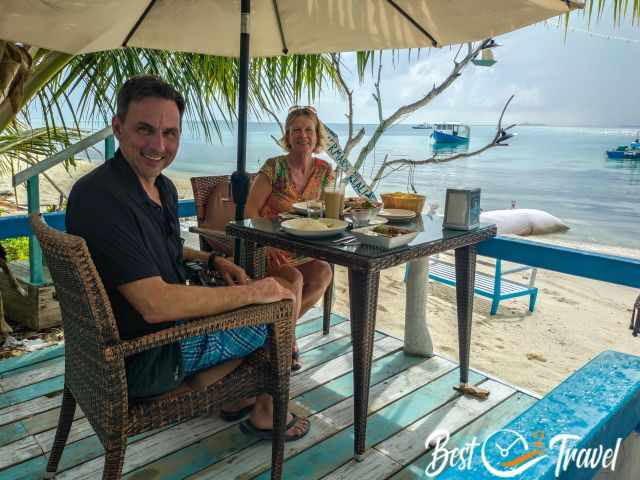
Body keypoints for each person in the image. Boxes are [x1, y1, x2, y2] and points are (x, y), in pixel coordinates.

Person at [65, 75, 309, 440]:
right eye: (144, 130)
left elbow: (165, 246)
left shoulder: (156, 185)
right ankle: (263, 409)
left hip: (150, 338)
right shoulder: (103, 199)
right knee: (280, 310)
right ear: (118, 127)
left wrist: (213, 261)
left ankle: (232, 395)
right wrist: (256, 293)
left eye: (170, 134)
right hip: (146, 358)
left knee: (276, 289)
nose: (158, 145)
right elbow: (155, 305)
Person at [244, 106, 334, 370]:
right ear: (288, 135)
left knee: (323, 273)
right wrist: (267, 241)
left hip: (305, 246)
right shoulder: (274, 167)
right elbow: (250, 209)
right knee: (294, 279)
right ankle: (286, 344)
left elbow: (329, 210)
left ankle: (281, 331)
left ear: (317, 136)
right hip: (270, 247)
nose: (302, 135)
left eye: (309, 130)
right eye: (296, 130)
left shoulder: (324, 170)